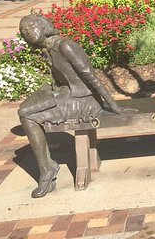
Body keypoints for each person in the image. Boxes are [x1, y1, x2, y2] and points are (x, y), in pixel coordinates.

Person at [18, 14, 133, 198]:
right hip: (67, 96)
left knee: (27, 115)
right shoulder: (48, 50)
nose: (27, 33)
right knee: (25, 111)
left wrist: (113, 105)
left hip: (85, 101)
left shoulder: (65, 46)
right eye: (23, 31)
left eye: (31, 26)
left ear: (44, 26)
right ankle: (48, 167)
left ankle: (47, 170)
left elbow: (91, 76)